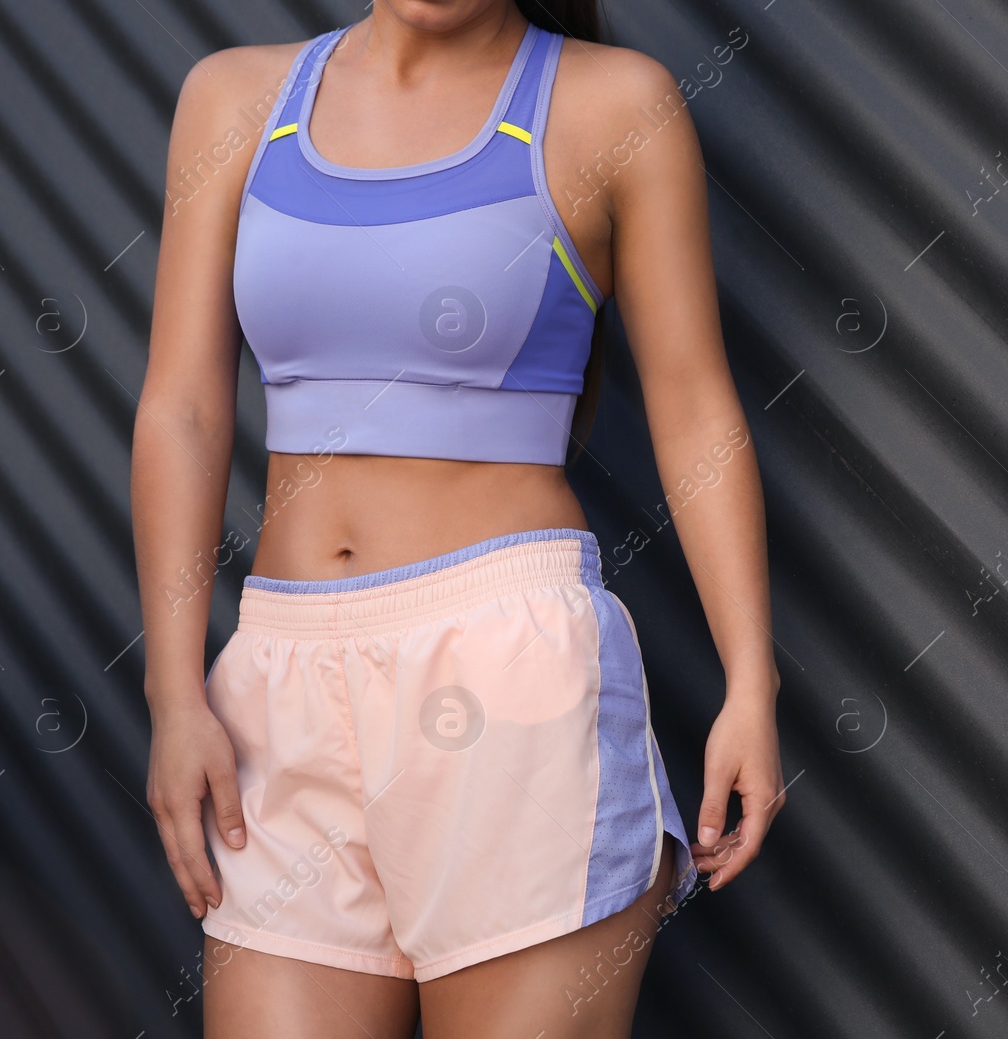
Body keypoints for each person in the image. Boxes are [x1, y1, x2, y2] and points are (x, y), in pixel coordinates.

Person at [131, 1, 782, 1035]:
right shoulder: (236, 99)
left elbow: (694, 406)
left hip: (510, 675)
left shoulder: (612, 104)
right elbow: (183, 407)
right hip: (282, 680)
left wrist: (751, 678)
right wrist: (174, 693)